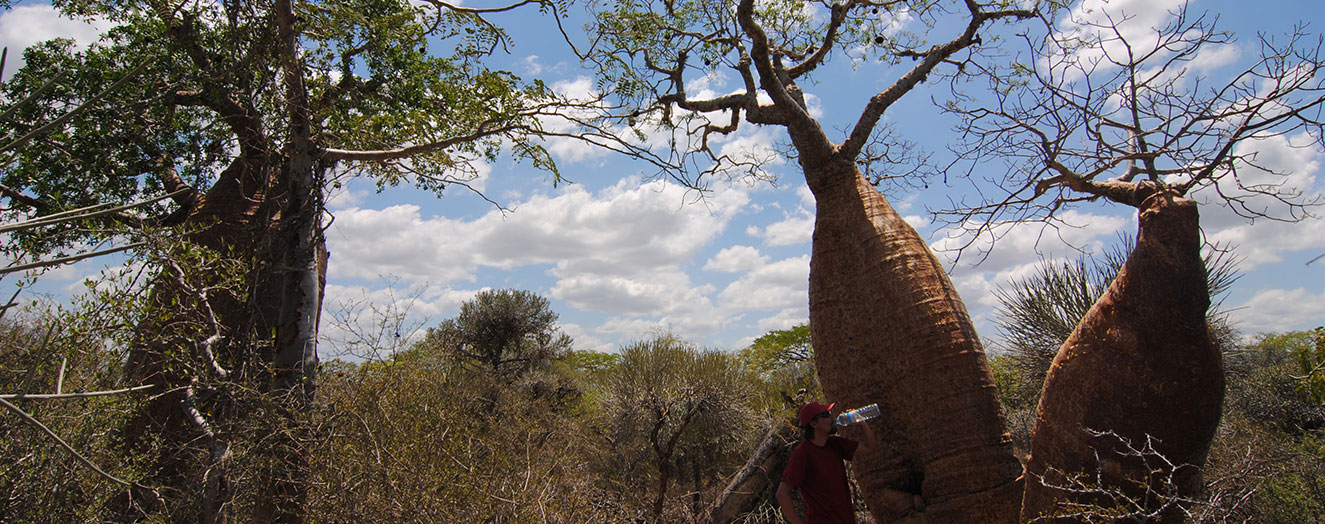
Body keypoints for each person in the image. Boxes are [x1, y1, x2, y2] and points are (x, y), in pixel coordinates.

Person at [776, 401, 877, 524]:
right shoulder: (803, 453)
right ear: (813, 423)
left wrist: (861, 420)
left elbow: (869, 447)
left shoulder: (834, 444)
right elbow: (782, 494)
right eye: (825, 415)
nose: (831, 418)